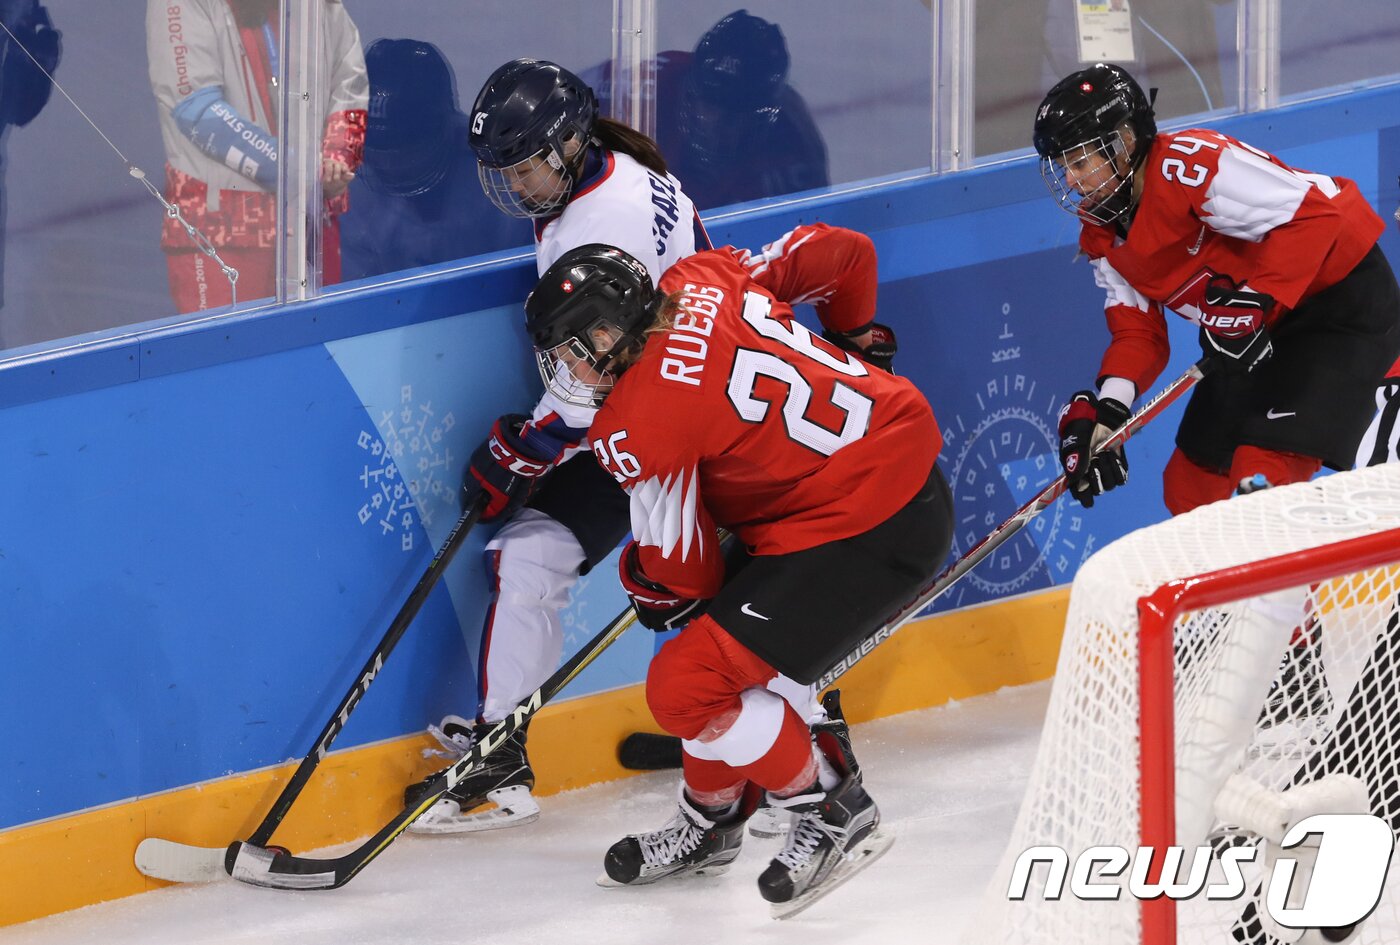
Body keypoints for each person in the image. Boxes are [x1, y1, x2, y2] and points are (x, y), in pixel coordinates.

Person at [518, 224, 950, 915]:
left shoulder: (634, 421)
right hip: (883, 470)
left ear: (606, 335)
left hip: (867, 523)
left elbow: (684, 580)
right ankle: (711, 822)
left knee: (685, 687)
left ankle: (831, 805)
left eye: (572, 352)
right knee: (708, 662)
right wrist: (854, 336)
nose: (568, 371)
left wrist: (642, 576)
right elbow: (846, 254)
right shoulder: (703, 277)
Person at [398, 57, 710, 833]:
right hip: (654, 414)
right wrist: (536, 444)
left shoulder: (601, 223)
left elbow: (595, 371)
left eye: (527, 166)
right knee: (531, 554)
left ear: (571, 143)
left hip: (690, 433)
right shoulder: (621, 176)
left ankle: (796, 742)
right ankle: (500, 756)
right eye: (504, 171)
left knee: (730, 587)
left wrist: (525, 449)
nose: (517, 185)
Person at [1033, 62, 1400, 515]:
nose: (1071, 181)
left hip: (1336, 301)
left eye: (1080, 162)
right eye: (1063, 166)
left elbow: (1315, 218)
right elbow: (1138, 334)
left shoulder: (1194, 165)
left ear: (1124, 142)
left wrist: (1257, 299)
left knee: (1260, 475)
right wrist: (1109, 414)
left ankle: (1289, 565)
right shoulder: (1101, 234)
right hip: (1252, 328)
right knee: (1188, 486)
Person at [146, 0, 367, 313]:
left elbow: (349, 85)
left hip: (311, 224)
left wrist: (337, 159)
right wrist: (301, 170)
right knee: (229, 343)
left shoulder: (320, 6)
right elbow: (197, 111)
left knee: (322, 340)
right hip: (223, 234)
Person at [338, 38, 523, 281]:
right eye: (376, 154)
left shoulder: (501, 177)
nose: (388, 167)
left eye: (403, 155)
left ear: (444, 128)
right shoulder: (349, 188)